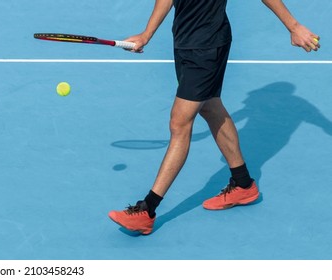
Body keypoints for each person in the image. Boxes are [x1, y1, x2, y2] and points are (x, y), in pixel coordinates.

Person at [108, 0, 320, 235]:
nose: (253, 97)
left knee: (179, 124)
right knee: (210, 106)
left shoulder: (296, 103)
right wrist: (147, 34)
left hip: (207, 46)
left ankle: (147, 210)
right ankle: (243, 184)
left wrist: (293, 26)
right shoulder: (252, 102)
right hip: (184, 42)